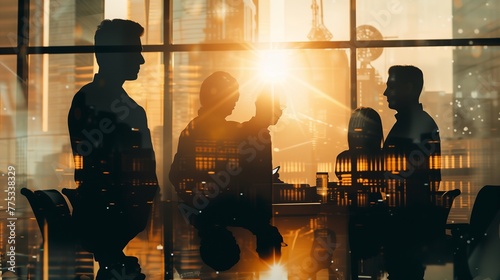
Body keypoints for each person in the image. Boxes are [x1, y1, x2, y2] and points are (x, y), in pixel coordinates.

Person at [67, 19, 159, 280]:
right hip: (108, 220)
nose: (141, 60)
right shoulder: (117, 107)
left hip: (105, 220)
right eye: (135, 51)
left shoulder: (94, 101)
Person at [169, 71, 284, 272]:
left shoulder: (195, 129)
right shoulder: (207, 130)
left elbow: (176, 174)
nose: (236, 103)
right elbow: (244, 136)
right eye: (233, 97)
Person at [381, 65, 442, 280]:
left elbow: (408, 178)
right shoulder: (419, 124)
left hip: (407, 227)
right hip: (411, 225)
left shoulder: (415, 127)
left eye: (391, 87)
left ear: (408, 88)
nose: (385, 93)